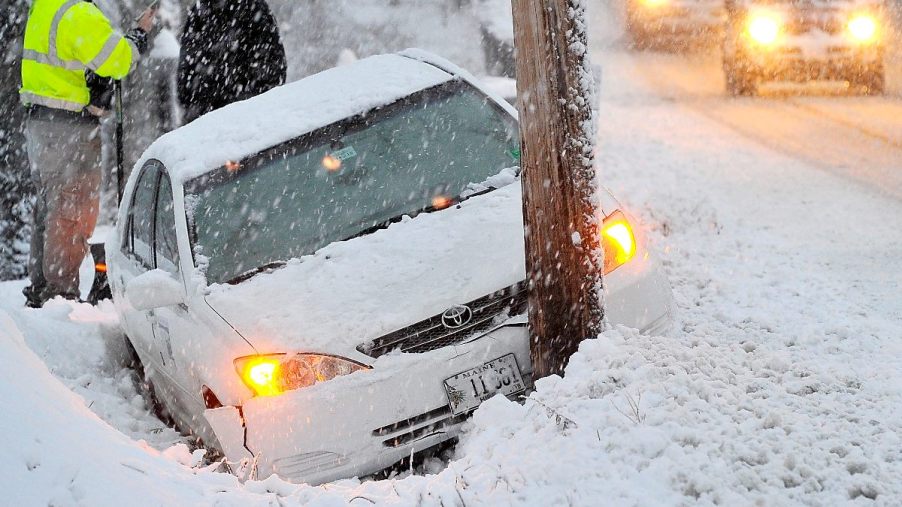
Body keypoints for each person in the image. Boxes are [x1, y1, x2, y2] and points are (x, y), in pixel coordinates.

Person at [19, 0, 157, 307]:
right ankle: (60, 295)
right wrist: (138, 37)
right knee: (72, 211)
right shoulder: (78, 12)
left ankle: (42, 288)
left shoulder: (45, 6)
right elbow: (116, 61)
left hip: (42, 122)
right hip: (69, 129)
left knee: (50, 207)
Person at [178, 0, 286, 123]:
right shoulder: (198, 13)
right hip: (210, 115)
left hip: (245, 114)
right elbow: (186, 73)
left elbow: (273, 69)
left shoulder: (253, 8)